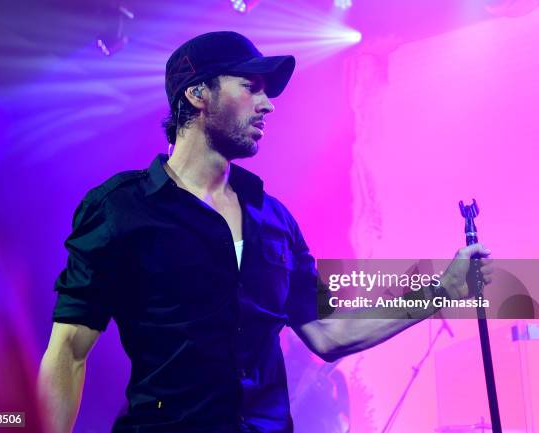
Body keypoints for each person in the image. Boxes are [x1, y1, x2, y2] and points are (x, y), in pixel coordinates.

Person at [37, 31, 492, 433]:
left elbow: (327, 333)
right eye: (249, 87)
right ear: (198, 94)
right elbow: (69, 352)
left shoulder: (274, 219)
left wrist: (440, 292)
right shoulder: (121, 208)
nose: (267, 103)